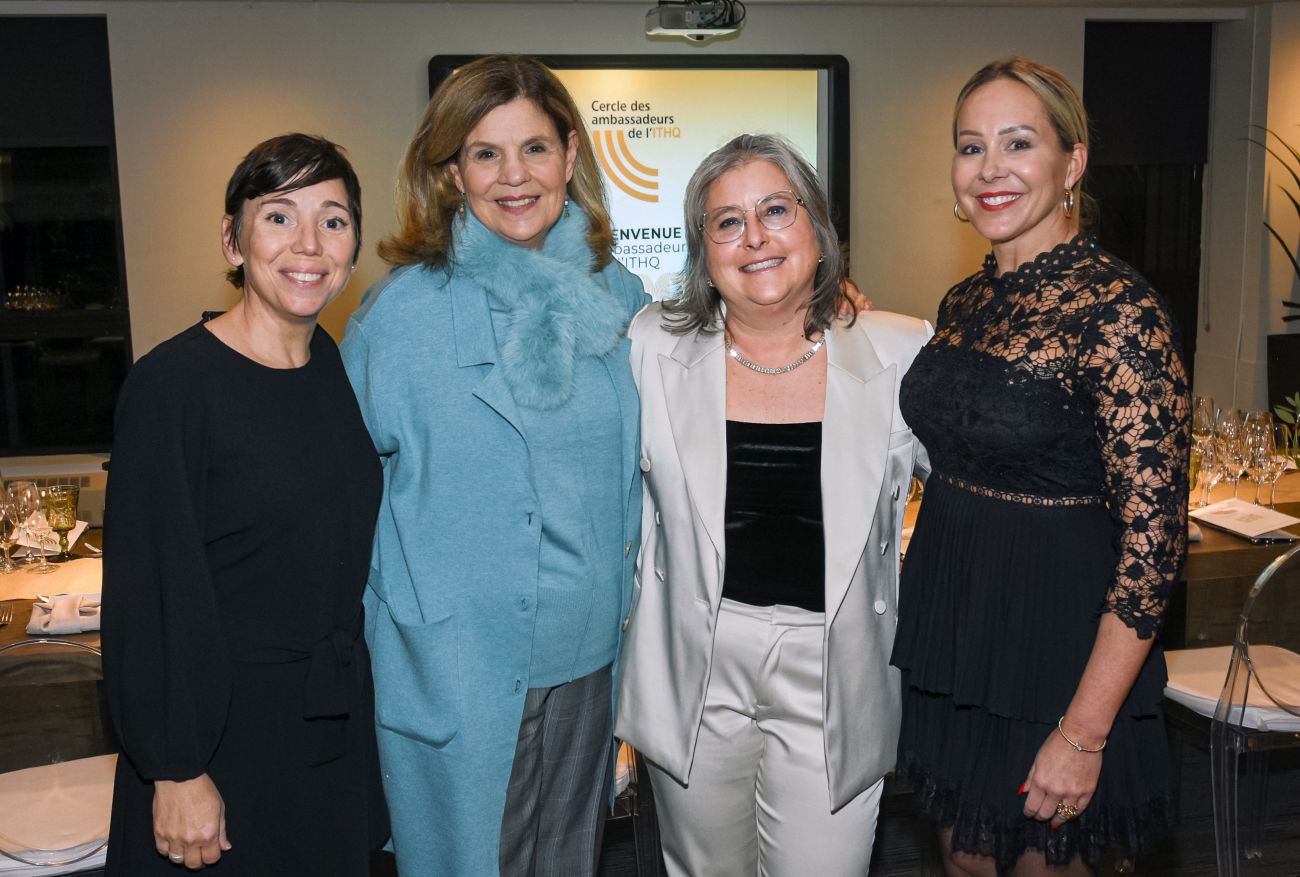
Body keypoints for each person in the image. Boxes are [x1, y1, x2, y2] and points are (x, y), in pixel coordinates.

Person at [340, 54, 647, 876]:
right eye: (485, 153)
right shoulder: (399, 318)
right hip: (460, 668)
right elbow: (335, 507)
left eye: (535, 149)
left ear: (572, 158)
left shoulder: (620, 298)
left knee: (568, 862)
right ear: (450, 172)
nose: (514, 177)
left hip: (589, 662)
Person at [890, 57, 1190, 875]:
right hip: (960, 637)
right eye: (970, 146)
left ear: (1073, 162)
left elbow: (1155, 551)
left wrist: (1084, 730)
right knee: (963, 863)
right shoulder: (964, 302)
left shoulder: (1121, 313)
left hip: (1060, 649)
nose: (990, 169)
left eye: (1018, 143)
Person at [614, 134, 931, 876]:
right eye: (726, 221)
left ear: (816, 231)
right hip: (697, 665)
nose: (753, 237)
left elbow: (978, 495)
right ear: (704, 251)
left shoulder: (900, 350)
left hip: (835, 669)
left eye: (775, 210)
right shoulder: (649, 345)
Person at [102, 133, 387, 874]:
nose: (309, 243)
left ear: (353, 248)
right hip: (219, 743)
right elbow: (149, 592)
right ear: (232, 239)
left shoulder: (328, 364)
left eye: (333, 219)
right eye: (278, 216)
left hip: (323, 734)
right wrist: (175, 767)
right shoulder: (174, 387)